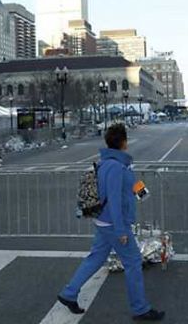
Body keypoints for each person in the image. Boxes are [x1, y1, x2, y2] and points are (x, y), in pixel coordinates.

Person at [57, 123, 165, 321]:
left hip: (103, 222)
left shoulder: (110, 163)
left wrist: (142, 193)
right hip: (113, 224)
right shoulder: (116, 166)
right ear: (124, 142)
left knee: (96, 258)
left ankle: (69, 293)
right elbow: (114, 199)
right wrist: (121, 230)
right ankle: (140, 309)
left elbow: (129, 184)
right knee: (133, 262)